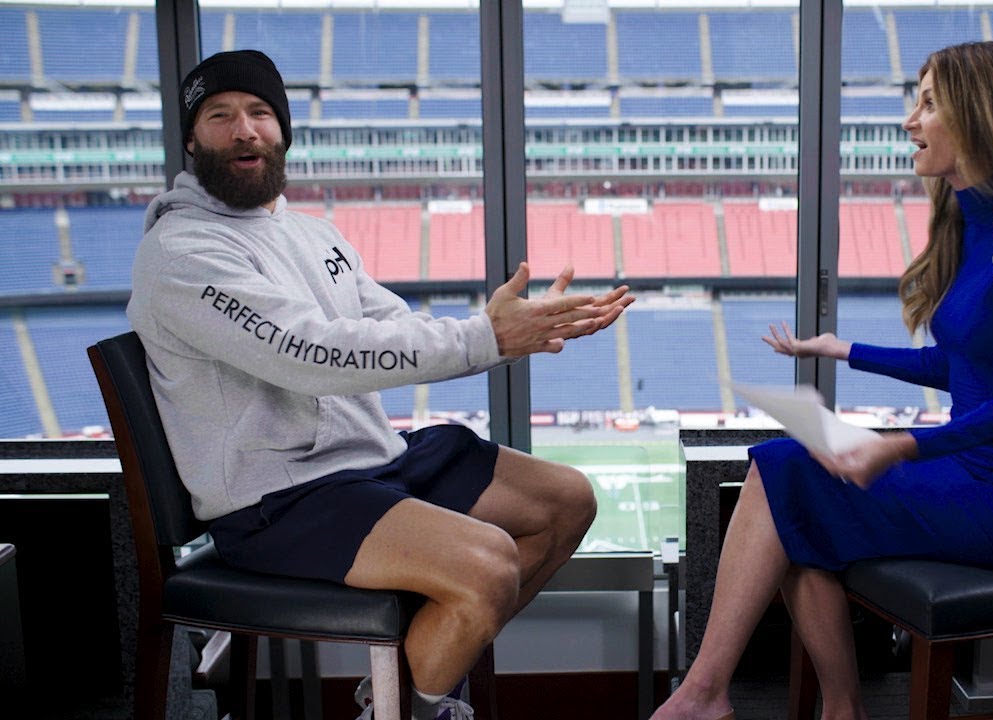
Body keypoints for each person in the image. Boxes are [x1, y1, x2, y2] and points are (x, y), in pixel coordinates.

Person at [126, 49, 634, 720]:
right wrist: (486, 338)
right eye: (219, 117)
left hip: (370, 465)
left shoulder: (313, 234)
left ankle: (405, 689)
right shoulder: (183, 251)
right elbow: (307, 351)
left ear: (281, 131)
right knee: (486, 565)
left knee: (565, 500)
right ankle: (407, 709)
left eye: (258, 113)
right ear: (192, 140)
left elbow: (387, 322)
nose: (243, 130)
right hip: (276, 498)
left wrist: (507, 326)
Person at [651, 41, 993, 720]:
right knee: (793, 495)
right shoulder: (973, 217)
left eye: (928, 102)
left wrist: (897, 444)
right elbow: (956, 365)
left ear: (980, 112)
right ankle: (816, 706)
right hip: (973, 471)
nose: (910, 120)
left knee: (785, 475)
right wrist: (842, 350)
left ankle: (710, 695)